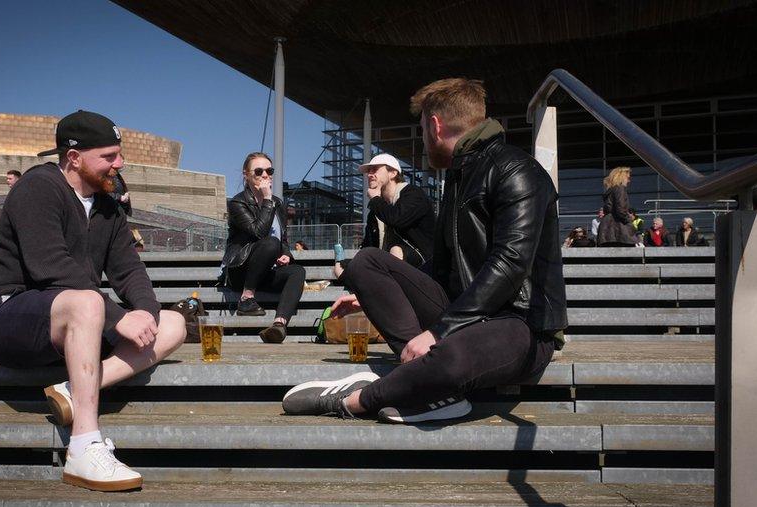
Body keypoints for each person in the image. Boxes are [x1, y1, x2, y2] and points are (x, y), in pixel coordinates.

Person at [282, 78, 567, 424]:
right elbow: (441, 268)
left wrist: (438, 331)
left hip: (522, 326)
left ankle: (355, 400)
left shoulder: (517, 170)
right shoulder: (458, 178)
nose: (422, 139)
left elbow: (510, 265)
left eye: (421, 129)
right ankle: (426, 386)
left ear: (434, 125)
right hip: (465, 312)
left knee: (453, 355)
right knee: (367, 262)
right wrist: (372, 294)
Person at [0, 110, 186, 491]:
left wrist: (143, 312)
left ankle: (73, 391)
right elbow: (49, 267)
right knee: (89, 301)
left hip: (78, 319)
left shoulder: (107, 206)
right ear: (74, 158)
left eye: (118, 154)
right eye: (108, 156)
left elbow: (130, 271)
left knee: (173, 324)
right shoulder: (37, 187)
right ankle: (84, 446)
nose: (118, 164)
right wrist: (116, 317)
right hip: (11, 315)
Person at [220, 152, 307, 343]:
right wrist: (267, 199)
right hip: (241, 271)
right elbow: (258, 233)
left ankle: (279, 325)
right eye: (258, 171)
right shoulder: (238, 202)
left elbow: (282, 238)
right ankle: (246, 299)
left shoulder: (278, 203)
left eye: (269, 170)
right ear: (246, 175)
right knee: (270, 243)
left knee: (298, 271)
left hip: (267, 270)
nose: (265, 175)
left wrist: (286, 255)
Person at [332, 153, 435, 282]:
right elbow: (368, 248)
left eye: (375, 169)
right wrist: (347, 266)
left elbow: (397, 219)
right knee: (341, 268)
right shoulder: (377, 210)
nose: (369, 174)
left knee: (396, 251)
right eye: (369, 171)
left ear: (392, 173)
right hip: (387, 267)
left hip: (425, 265)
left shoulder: (413, 194)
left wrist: (375, 199)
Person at [596, 167, 637, 247]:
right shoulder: (620, 188)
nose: (629, 181)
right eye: (628, 177)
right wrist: (629, 221)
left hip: (607, 230)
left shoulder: (611, 190)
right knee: (625, 256)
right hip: (618, 230)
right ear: (621, 177)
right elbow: (621, 209)